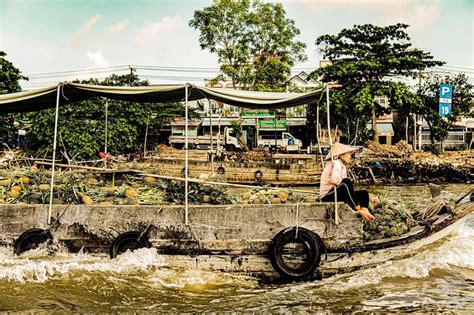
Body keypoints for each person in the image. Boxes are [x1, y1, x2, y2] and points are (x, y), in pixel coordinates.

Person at [319, 142, 375, 221]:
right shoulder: (336, 163)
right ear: (341, 155)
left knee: (364, 193)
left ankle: (365, 209)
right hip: (327, 196)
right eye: (348, 154)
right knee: (346, 182)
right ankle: (358, 209)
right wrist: (342, 181)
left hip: (336, 192)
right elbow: (335, 180)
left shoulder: (342, 166)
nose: (350, 156)